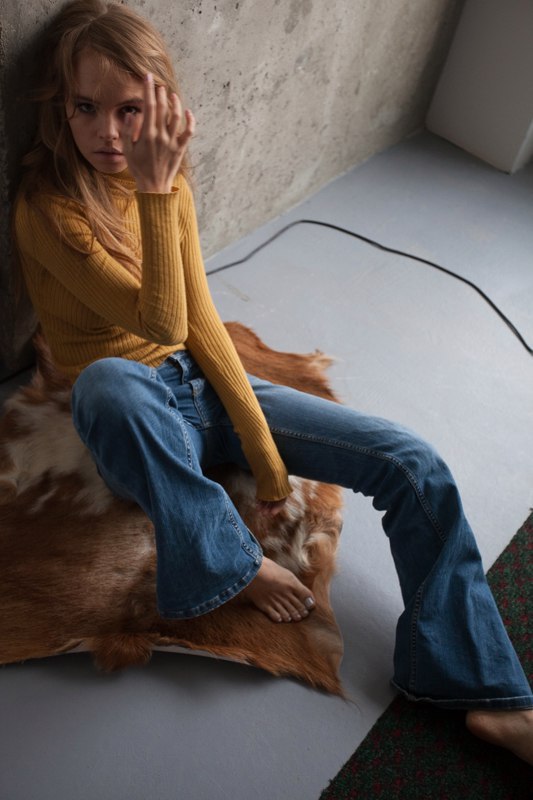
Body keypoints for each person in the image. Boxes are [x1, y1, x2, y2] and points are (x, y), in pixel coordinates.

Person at [13, 0, 532, 764]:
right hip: (130, 419)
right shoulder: (48, 211)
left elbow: (198, 321)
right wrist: (155, 191)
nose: (108, 132)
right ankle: (230, 561)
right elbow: (158, 323)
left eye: (129, 110)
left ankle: (482, 690)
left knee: (412, 462)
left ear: (164, 108)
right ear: (60, 109)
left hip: (195, 388)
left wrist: (262, 452)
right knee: (110, 385)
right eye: (84, 107)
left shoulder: (168, 186)